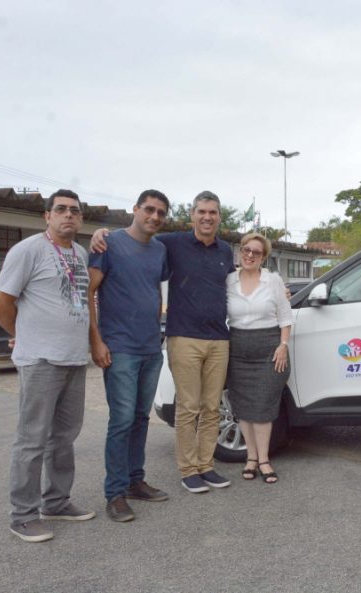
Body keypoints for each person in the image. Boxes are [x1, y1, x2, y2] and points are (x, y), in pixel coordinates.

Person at [92, 190, 235, 493]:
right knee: (188, 407)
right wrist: (100, 231)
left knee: (212, 408)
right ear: (192, 216)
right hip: (182, 336)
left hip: (217, 339)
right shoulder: (171, 244)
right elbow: (133, 238)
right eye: (201, 212)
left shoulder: (225, 251)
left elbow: (239, 285)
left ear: (219, 217)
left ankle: (206, 466)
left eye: (213, 212)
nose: (207, 217)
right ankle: (188, 470)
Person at [0, 189, 96, 542]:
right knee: (31, 440)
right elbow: (1, 302)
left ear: (80, 219)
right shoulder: (28, 250)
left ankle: (56, 501)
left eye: (75, 211)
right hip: (40, 359)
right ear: (46, 216)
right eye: (61, 209)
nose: (69, 215)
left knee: (64, 437)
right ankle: (22, 515)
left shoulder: (79, 254)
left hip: (73, 358)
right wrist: (22, 333)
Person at [88, 190, 171, 522]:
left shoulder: (161, 250)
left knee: (140, 419)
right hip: (120, 348)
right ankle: (115, 493)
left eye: (160, 212)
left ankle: (136, 481)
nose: (153, 216)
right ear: (135, 209)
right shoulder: (109, 243)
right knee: (121, 421)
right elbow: (89, 292)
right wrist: (96, 341)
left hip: (151, 347)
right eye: (148, 209)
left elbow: (155, 287)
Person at [226, 233, 293, 483]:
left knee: (264, 406)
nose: (250, 255)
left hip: (269, 348)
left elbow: (285, 317)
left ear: (263, 257)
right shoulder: (229, 281)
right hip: (238, 348)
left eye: (256, 252)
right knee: (243, 406)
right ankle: (250, 458)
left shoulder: (273, 281)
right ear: (240, 252)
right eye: (246, 250)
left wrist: (283, 345)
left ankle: (264, 459)